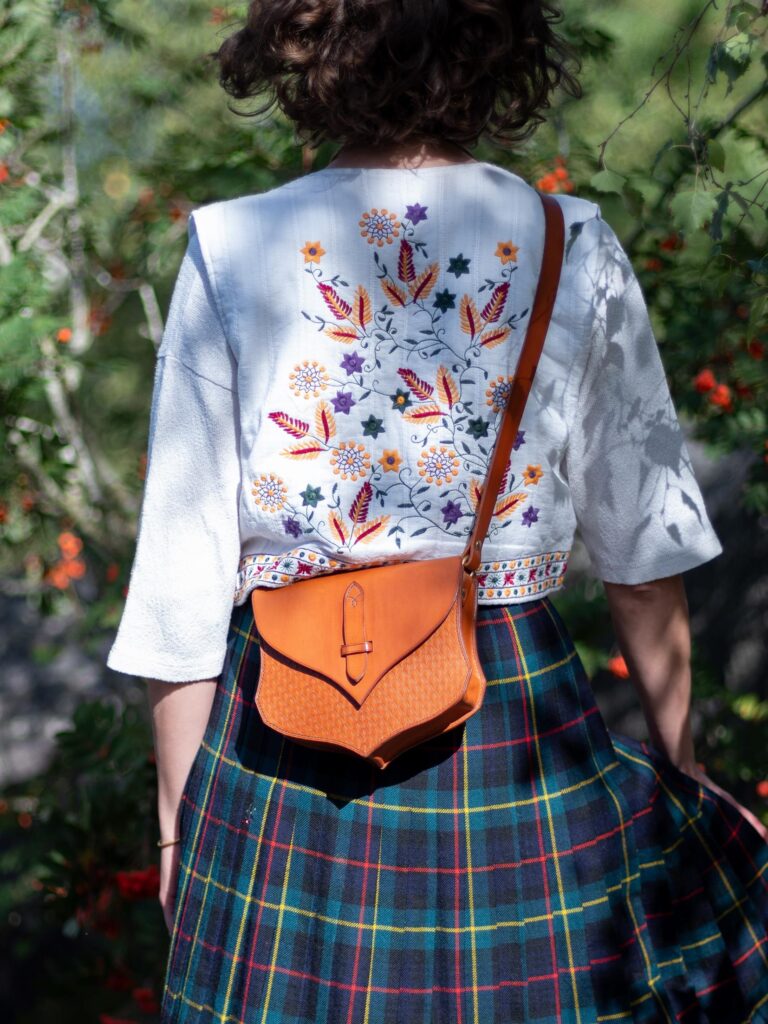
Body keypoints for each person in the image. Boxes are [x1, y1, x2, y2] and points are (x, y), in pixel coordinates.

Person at [106, 2, 768, 1021]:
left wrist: (180, 821)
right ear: (498, 44)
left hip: (281, 740)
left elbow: (180, 585)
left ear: (304, 44)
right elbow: (643, 551)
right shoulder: (569, 241)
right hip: (515, 715)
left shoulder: (233, 245)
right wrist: (680, 769)